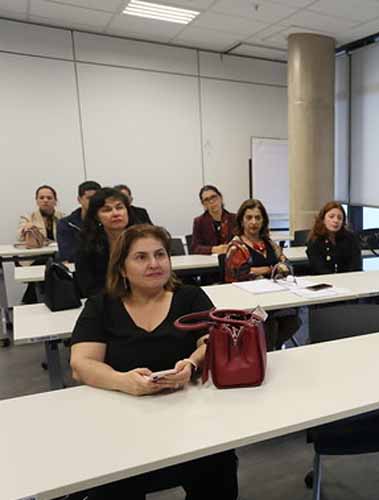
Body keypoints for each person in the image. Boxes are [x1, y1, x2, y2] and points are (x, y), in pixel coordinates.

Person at [69, 224, 238, 499]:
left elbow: (212, 341)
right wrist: (124, 381)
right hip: (121, 425)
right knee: (114, 487)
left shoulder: (190, 297)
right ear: (122, 268)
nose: (154, 264)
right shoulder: (102, 305)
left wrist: (192, 364)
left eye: (160, 255)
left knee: (218, 474)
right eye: (141, 257)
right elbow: (81, 363)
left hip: (190, 419)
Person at [225, 199, 300, 349]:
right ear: (241, 220)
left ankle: (273, 348)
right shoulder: (236, 246)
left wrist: (277, 268)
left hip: (274, 296)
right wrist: (271, 269)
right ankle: (266, 352)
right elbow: (241, 274)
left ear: (263, 220)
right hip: (249, 302)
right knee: (269, 323)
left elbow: (286, 264)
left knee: (294, 320)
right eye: (249, 217)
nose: (254, 222)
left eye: (258, 218)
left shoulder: (269, 243)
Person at [75, 188, 132, 298]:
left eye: (119, 208)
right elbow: (89, 287)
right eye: (107, 210)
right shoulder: (87, 244)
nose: (115, 213)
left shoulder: (142, 238)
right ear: (97, 216)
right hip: (105, 302)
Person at [306, 202, 362, 275]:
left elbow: (356, 266)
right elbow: (319, 269)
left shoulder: (350, 238)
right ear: (323, 219)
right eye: (331, 216)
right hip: (324, 282)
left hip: (349, 280)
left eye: (339, 218)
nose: (336, 221)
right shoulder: (315, 240)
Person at [57, 180, 101, 262]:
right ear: (79, 199)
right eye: (89, 198)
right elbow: (67, 254)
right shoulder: (66, 224)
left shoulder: (105, 221)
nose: (93, 202)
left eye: (96, 198)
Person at [190, 185, 235, 255]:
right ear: (203, 204)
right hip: (211, 262)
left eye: (213, 197)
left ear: (221, 198)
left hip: (233, 259)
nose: (211, 201)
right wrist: (214, 249)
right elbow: (195, 248)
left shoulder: (234, 219)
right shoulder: (199, 222)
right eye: (206, 200)